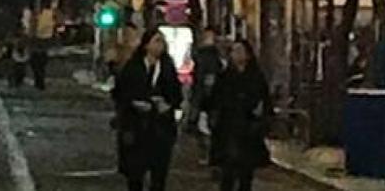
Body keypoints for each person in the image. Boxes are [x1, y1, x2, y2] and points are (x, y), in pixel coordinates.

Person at [112, 28, 183, 191]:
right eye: (157, 41)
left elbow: (176, 94)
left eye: (162, 42)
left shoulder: (167, 67)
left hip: (160, 127)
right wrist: (134, 103)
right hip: (136, 127)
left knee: (159, 174)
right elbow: (120, 92)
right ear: (146, 45)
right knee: (135, 173)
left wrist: (168, 105)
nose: (160, 45)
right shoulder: (134, 66)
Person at [208, 39, 272, 191]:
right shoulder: (224, 77)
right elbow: (215, 100)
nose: (236, 55)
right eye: (234, 51)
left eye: (240, 51)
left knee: (245, 173)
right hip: (228, 128)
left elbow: (265, 100)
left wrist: (261, 114)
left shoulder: (256, 77)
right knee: (228, 172)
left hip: (249, 129)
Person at [189, 27, 224, 162]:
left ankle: (209, 154)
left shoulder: (208, 55)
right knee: (206, 127)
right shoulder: (208, 55)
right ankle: (209, 154)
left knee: (205, 127)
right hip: (208, 98)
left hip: (208, 98)